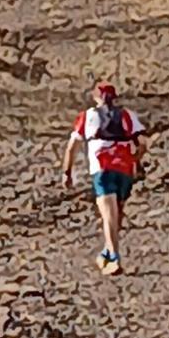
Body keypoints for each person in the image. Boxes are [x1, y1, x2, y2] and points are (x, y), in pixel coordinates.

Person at [62, 80, 145, 276]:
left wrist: (67, 172)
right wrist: (136, 160)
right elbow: (142, 142)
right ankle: (108, 251)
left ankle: (113, 257)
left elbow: (72, 146)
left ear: (95, 97)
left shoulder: (87, 117)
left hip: (102, 166)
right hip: (124, 167)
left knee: (109, 214)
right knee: (117, 214)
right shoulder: (128, 116)